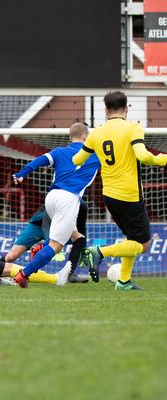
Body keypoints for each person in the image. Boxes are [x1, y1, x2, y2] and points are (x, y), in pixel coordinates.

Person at [73, 91, 167, 290]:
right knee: (144, 244)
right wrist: (163, 159)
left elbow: (77, 160)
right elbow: (143, 156)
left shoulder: (96, 133)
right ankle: (99, 252)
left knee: (131, 238)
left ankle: (123, 281)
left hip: (109, 196)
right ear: (127, 108)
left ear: (106, 109)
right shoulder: (133, 127)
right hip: (130, 195)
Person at [11, 123, 100, 288]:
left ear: (70, 137)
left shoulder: (59, 151)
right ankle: (22, 275)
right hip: (69, 200)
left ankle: (40, 248)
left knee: (76, 237)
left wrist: (22, 173)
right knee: (56, 246)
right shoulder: (96, 155)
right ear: (86, 137)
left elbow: (40, 161)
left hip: (51, 198)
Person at [3, 204, 89, 283]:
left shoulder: (81, 207)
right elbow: (46, 221)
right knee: (10, 257)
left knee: (78, 238)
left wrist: (83, 250)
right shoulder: (61, 198)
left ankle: (69, 274)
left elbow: (82, 231)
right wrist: (45, 244)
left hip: (58, 228)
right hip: (38, 224)